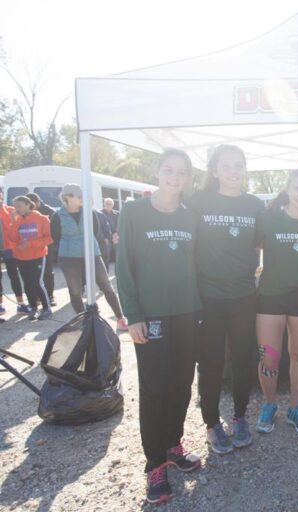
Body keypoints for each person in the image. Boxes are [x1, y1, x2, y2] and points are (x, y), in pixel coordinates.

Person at [116, 149, 203, 504]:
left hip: (187, 312)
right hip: (149, 316)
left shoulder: (191, 214)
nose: (174, 177)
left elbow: (196, 263)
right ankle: (155, 465)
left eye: (181, 172)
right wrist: (133, 315)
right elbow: (124, 267)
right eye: (168, 170)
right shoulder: (133, 212)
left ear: (188, 177)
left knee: (182, 382)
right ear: (157, 172)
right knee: (154, 388)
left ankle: (173, 444)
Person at [187, 144, 264, 454]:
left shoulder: (254, 204)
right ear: (214, 170)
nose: (234, 171)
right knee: (210, 362)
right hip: (208, 297)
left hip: (244, 295)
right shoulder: (198, 202)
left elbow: (261, 246)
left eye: (239, 165)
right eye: (227, 165)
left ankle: (241, 417)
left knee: (243, 359)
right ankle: (211, 424)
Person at [254, 169, 298, 435]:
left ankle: (295, 408)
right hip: (271, 297)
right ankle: (270, 404)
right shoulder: (268, 218)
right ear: (288, 188)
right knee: (269, 358)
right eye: (297, 188)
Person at [50, 184, 127, 328]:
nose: (82, 199)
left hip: (93, 254)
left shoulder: (89, 212)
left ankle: (120, 318)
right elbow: (55, 237)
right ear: (67, 197)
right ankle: (84, 321)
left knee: (106, 286)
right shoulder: (57, 216)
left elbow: (95, 231)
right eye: (78, 196)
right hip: (69, 258)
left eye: (82, 195)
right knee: (75, 290)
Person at [8, 196, 53, 320]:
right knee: (27, 283)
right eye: (15, 206)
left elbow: (49, 238)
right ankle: (33, 308)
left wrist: (30, 244)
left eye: (19, 206)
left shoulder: (42, 219)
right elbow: (12, 239)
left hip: (37, 256)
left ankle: (46, 308)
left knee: (37, 282)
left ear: (28, 204)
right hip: (21, 257)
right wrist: (13, 221)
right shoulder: (17, 220)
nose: (16, 209)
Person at [25, 192, 57, 307]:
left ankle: (50, 296)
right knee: (34, 274)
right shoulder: (25, 213)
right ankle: (37, 297)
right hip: (30, 249)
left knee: (48, 272)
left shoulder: (49, 211)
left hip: (46, 247)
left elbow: (54, 230)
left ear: (38, 202)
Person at [0, 188, 28, 314]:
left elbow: (19, 227)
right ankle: (0, 305)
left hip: (10, 248)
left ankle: (21, 303)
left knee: (14, 275)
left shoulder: (11, 210)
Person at [102, 198, 120, 271]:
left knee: (118, 256)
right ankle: (106, 273)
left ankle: (118, 271)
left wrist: (116, 233)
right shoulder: (100, 213)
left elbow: (120, 224)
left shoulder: (117, 213)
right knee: (106, 256)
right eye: (107, 203)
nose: (108, 205)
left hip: (116, 237)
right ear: (104, 204)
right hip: (106, 238)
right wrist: (104, 237)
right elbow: (99, 226)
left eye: (110, 204)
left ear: (113, 205)